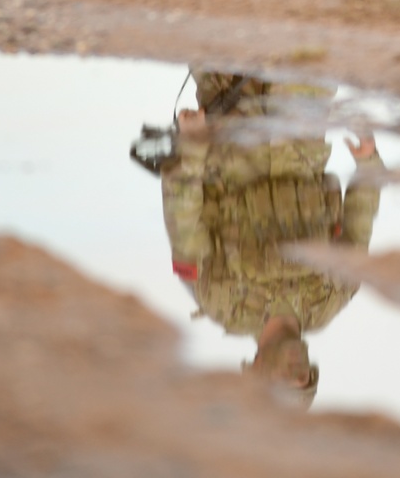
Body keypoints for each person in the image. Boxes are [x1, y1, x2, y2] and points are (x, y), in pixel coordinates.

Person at [143, 68, 384, 407]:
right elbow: (359, 226)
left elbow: (183, 219)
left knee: (223, 30)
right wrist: (368, 165)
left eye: (287, 385)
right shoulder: (330, 300)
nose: (300, 376)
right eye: (307, 382)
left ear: (256, 370)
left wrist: (194, 146)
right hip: (300, 132)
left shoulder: (221, 303)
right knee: (309, 45)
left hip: (230, 121)